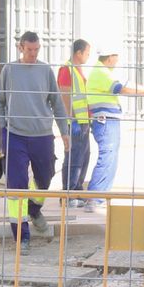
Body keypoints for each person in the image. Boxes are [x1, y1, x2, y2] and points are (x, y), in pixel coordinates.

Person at [0, 30, 68, 245]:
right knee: (17, 186)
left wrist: (64, 131)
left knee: (45, 177)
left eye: (36, 50)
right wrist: (2, 128)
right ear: (20, 48)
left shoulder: (45, 70)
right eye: (29, 50)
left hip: (42, 134)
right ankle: (21, 236)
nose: (33, 54)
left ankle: (34, 210)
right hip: (15, 134)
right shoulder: (10, 70)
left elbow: (57, 103)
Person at [83, 47, 144, 205]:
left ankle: (99, 196)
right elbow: (121, 89)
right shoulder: (101, 72)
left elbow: (126, 83)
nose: (118, 60)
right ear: (110, 57)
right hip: (104, 121)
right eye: (117, 56)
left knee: (111, 157)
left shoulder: (104, 72)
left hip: (108, 120)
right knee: (108, 156)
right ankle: (94, 197)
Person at [57, 39, 93, 198]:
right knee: (74, 158)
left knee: (84, 157)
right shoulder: (67, 69)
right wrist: (71, 119)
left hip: (83, 121)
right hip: (75, 122)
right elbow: (65, 95)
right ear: (78, 53)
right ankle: (69, 193)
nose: (88, 56)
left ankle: (77, 189)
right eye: (87, 53)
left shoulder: (78, 70)